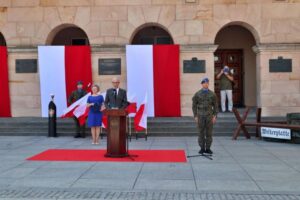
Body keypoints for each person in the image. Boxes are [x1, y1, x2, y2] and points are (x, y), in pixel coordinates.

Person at [192, 78, 218, 155]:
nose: (206, 84)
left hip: (209, 116)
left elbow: (216, 106)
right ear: (202, 84)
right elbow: (194, 106)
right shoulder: (197, 94)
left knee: (209, 133)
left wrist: (214, 116)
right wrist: (195, 116)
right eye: (204, 83)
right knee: (201, 133)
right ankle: (202, 148)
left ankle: (208, 148)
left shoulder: (212, 94)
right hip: (200, 116)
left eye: (207, 83)